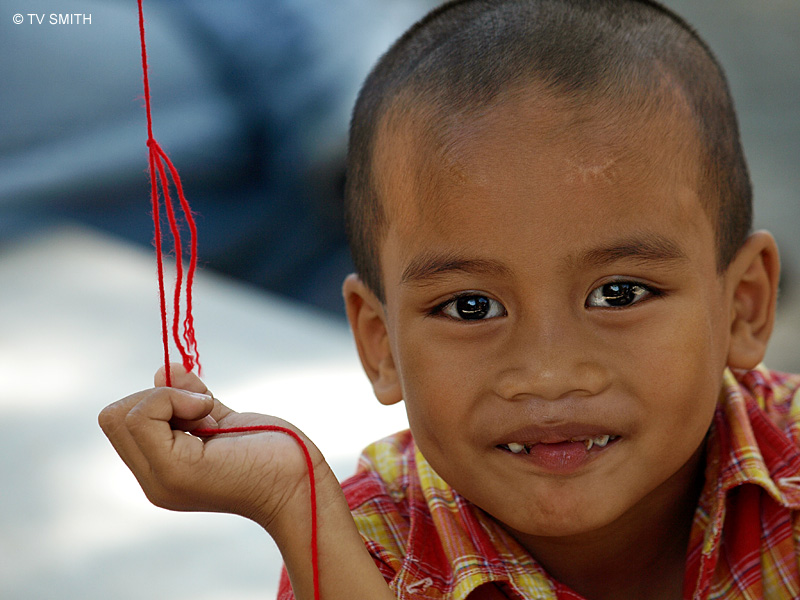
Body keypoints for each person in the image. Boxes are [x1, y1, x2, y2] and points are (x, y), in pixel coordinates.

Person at [98, 1, 800, 598]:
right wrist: (290, 499)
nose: (547, 374)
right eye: (471, 307)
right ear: (381, 345)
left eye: (618, 294)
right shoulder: (369, 548)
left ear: (743, 306)